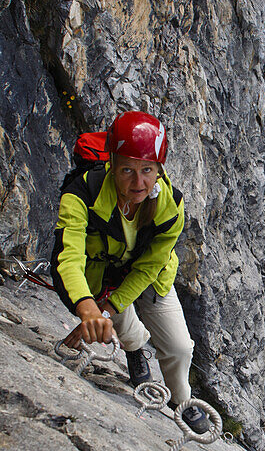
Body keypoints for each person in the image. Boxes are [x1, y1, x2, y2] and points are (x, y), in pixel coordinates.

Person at [51, 111, 195, 411]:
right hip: (102, 274)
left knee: (180, 348)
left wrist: (106, 308)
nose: (138, 182)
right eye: (127, 170)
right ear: (112, 165)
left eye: (147, 170)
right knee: (121, 321)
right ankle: (134, 347)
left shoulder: (171, 207)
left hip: (149, 276)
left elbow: (148, 268)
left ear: (159, 170)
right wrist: (90, 308)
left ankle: (182, 402)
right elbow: (69, 257)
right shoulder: (82, 194)